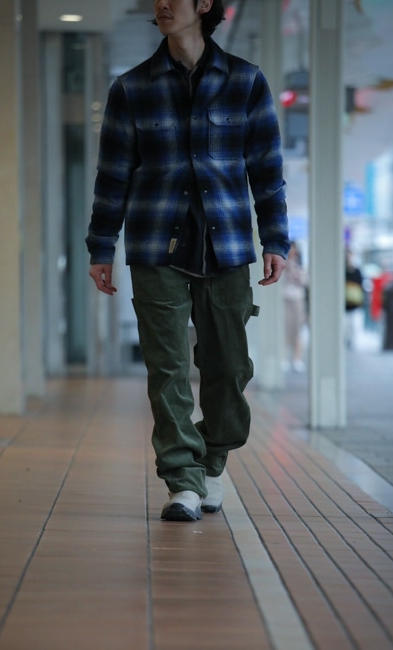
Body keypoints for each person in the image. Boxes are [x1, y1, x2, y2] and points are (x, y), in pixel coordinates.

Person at [86, 0, 290, 522]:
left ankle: (211, 460)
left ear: (204, 5)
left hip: (227, 248)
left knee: (229, 368)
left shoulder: (246, 81)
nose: (162, 3)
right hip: (156, 245)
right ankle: (182, 480)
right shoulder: (131, 87)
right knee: (167, 368)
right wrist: (101, 246)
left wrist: (275, 239)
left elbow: (267, 170)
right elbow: (112, 175)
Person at [283, 241, 308, 372]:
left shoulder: (300, 265)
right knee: (286, 329)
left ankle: (297, 358)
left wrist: (297, 274)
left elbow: (305, 282)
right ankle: (285, 358)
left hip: (298, 300)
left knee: (298, 330)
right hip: (285, 299)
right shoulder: (283, 264)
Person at [345, 248, 364, 348]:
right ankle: (345, 340)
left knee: (352, 324)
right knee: (345, 324)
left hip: (354, 303)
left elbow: (360, 285)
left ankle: (350, 341)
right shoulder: (342, 270)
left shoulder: (357, 271)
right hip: (344, 303)